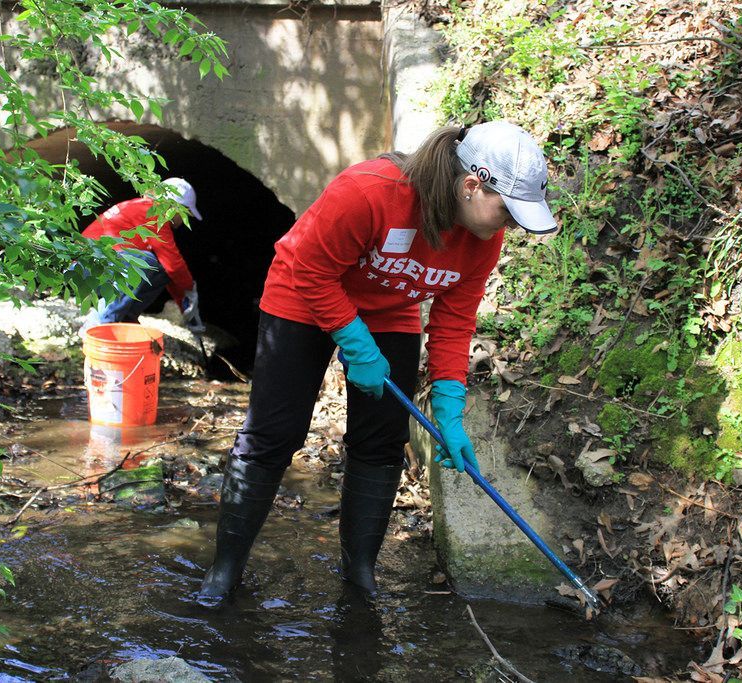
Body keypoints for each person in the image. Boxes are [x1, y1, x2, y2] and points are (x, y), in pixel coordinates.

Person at [198, 121, 558, 602]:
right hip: (303, 295)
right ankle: (225, 571)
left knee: (383, 441)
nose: (509, 225)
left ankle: (359, 575)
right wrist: (355, 343)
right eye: (508, 212)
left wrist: (450, 407)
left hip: (390, 309)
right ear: (472, 185)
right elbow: (310, 266)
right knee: (274, 434)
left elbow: (453, 321)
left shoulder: (483, 239)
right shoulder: (369, 191)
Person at [81, 177, 205, 333]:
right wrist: (190, 290)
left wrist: (185, 305)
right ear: (175, 207)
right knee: (146, 261)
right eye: (186, 215)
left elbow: (169, 270)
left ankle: (126, 317)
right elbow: (174, 264)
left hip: (96, 268)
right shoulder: (153, 213)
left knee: (158, 269)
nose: (184, 221)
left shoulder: (145, 208)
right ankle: (100, 323)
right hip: (84, 269)